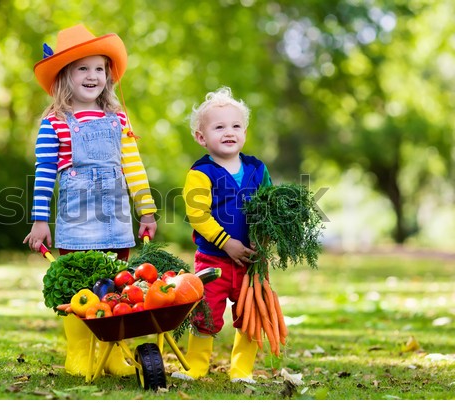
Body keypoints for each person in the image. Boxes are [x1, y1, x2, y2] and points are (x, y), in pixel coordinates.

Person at [23, 24, 157, 377]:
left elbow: (133, 166)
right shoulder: (55, 123)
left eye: (100, 68)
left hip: (116, 220)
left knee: (116, 289)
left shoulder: (119, 119)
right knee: (78, 290)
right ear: (65, 75)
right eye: (83, 68)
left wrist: (146, 210)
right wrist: (40, 220)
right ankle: (79, 352)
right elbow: (44, 173)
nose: (93, 75)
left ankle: (113, 352)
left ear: (108, 76)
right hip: (76, 223)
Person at [174, 87, 272, 383]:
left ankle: (241, 370)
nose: (229, 132)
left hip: (252, 262)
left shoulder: (257, 168)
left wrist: (262, 238)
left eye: (236, 126)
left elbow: (269, 207)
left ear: (244, 131)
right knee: (205, 313)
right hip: (213, 261)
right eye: (219, 127)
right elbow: (198, 215)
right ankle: (196, 365)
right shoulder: (200, 172)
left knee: (251, 314)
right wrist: (227, 243)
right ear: (201, 137)